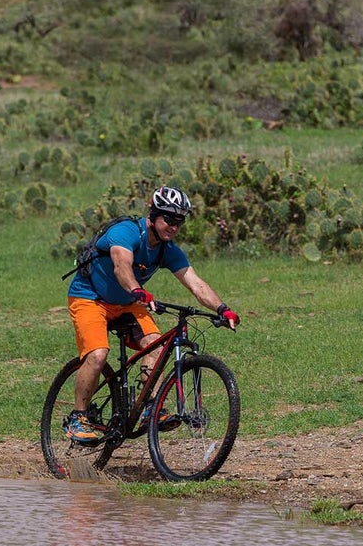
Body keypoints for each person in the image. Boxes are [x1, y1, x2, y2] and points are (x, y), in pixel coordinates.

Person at [65, 186, 240, 442]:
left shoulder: (168, 250)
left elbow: (196, 283)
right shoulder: (125, 233)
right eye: (168, 219)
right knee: (98, 354)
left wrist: (223, 309)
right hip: (90, 297)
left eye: (179, 221)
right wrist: (138, 291)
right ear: (154, 214)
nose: (174, 226)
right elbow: (121, 266)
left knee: (156, 347)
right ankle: (77, 417)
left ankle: (149, 409)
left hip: (128, 301)